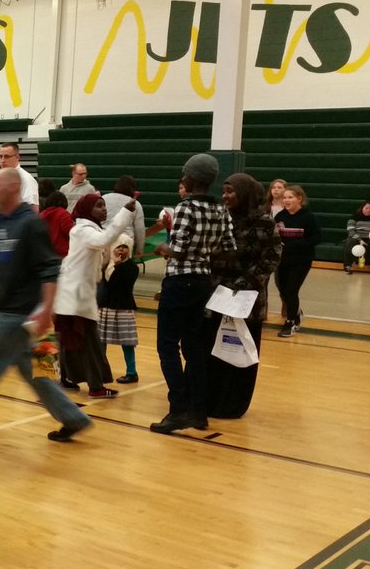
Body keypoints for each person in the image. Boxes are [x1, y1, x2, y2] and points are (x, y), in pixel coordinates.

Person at [0, 169, 94, 439]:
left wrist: (46, 310)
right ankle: (74, 418)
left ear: (13, 187)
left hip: (21, 316)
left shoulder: (31, 224)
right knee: (38, 375)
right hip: (21, 317)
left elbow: (49, 268)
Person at [150, 154, 236, 434]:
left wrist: (164, 248)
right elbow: (229, 246)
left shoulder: (186, 207)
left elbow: (179, 247)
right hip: (203, 282)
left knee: (167, 346)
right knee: (194, 348)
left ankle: (178, 409)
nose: (182, 178)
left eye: (184, 174)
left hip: (179, 281)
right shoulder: (221, 209)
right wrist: (204, 253)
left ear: (191, 178)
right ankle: (198, 411)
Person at [206, 174, 282, 418]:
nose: (226, 196)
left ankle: (233, 405)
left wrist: (242, 284)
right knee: (214, 350)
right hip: (218, 295)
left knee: (239, 353)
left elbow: (271, 258)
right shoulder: (222, 217)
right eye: (224, 191)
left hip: (246, 299)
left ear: (245, 193)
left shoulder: (263, 221)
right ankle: (210, 401)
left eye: (231, 191)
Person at [54, 193, 136, 399]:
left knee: (70, 339)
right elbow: (105, 239)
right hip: (76, 296)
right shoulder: (83, 231)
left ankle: (67, 378)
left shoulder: (84, 230)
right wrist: (126, 212)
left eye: (104, 205)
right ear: (87, 209)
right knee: (89, 342)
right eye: (99, 206)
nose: (104, 209)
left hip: (71, 295)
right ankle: (96, 387)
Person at [273, 185, 320, 337]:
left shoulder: (308, 217)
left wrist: (294, 245)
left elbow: (316, 238)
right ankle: (296, 312)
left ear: (299, 199)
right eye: (285, 197)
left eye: (290, 197)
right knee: (283, 290)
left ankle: (291, 322)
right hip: (282, 260)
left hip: (301, 260)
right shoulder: (280, 217)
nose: (286, 200)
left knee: (291, 290)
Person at [99, 234, 141, 384]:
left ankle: (132, 372)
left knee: (127, 342)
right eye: (118, 247)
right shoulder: (106, 265)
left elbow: (121, 284)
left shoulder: (132, 267)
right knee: (101, 341)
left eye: (125, 247)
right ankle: (100, 369)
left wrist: (118, 266)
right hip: (106, 306)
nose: (121, 250)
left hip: (123, 307)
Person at [0, 142, 39, 209]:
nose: (2, 160)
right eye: (0, 156)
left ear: (17, 157)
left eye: (6, 156)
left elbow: (32, 209)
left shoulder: (27, 180)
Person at [343, 200, 370, 274]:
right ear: (362, 208)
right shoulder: (354, 217)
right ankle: (347, 266)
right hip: (357, 238)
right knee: (349, 242)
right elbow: (350, 230)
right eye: (366, 208)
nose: (368, 210)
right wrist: (360, 240)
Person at [39, 192, 73, 258]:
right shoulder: (64, 214)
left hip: (46, 253)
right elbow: (71, 232)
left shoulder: (41, 215)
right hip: (63, 254)